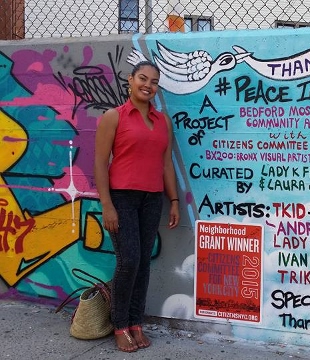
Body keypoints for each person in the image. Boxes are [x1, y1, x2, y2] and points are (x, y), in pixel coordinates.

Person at [94, 60, 180, 352]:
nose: (148, 85)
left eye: (154, 81)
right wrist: (107, 204)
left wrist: (175, 200)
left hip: (152, 199)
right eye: (143, 78)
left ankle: (135, 323)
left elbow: (166, 163)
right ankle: (119, 324)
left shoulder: (162, 121)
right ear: (130, 80)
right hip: (122, 199)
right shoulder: (113, 117)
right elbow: (99, 163)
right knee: (128, 260)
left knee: (143, 263)